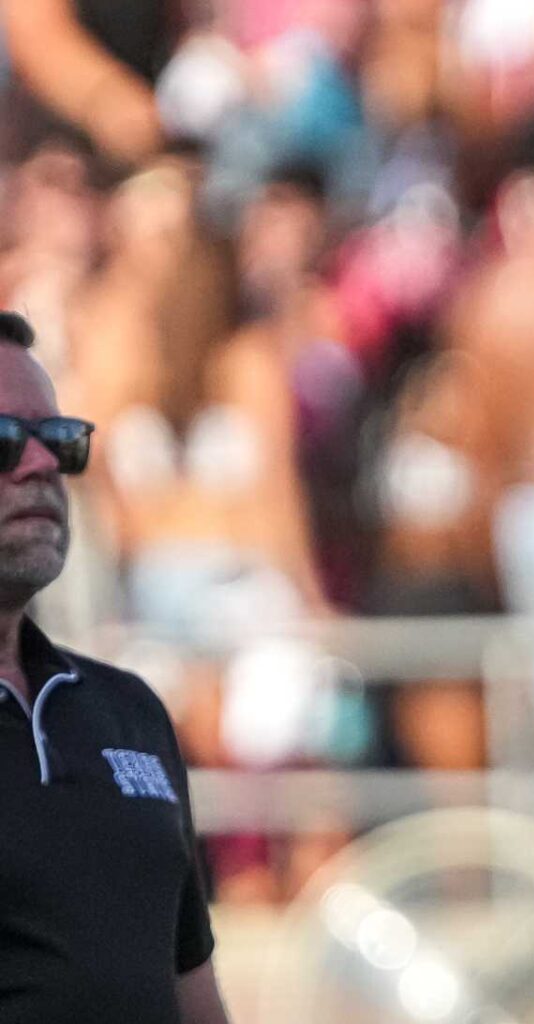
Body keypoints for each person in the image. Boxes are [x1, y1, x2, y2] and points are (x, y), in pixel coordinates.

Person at [0, 310, 228, 1023]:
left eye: (60, 440)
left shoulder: (129, 713)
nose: (41, 464)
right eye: (3, 441)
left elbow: (193, 993)